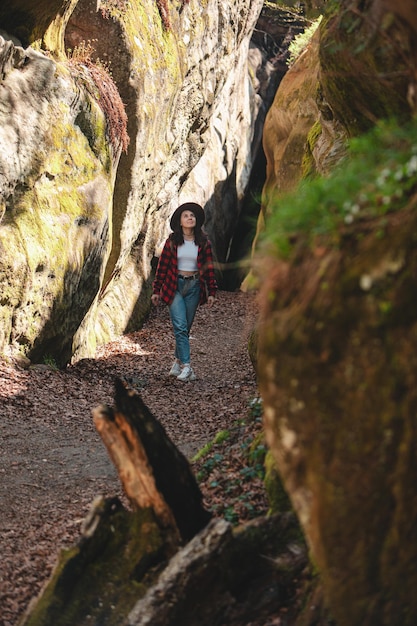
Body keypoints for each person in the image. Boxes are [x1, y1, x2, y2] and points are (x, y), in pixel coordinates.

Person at [151, 202, 217, 382]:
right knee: (180, 326)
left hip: (194, 287)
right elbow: (162, 267)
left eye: (193, 216)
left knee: (185, 327)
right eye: (186, 215)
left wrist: (211, 291)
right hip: (174, 287)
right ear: (180, 221)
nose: (190, 218)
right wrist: (157, 290)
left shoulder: (204, 243)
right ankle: (188, 367)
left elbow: (209, 269)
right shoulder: (172, 241)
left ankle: (177, 362)